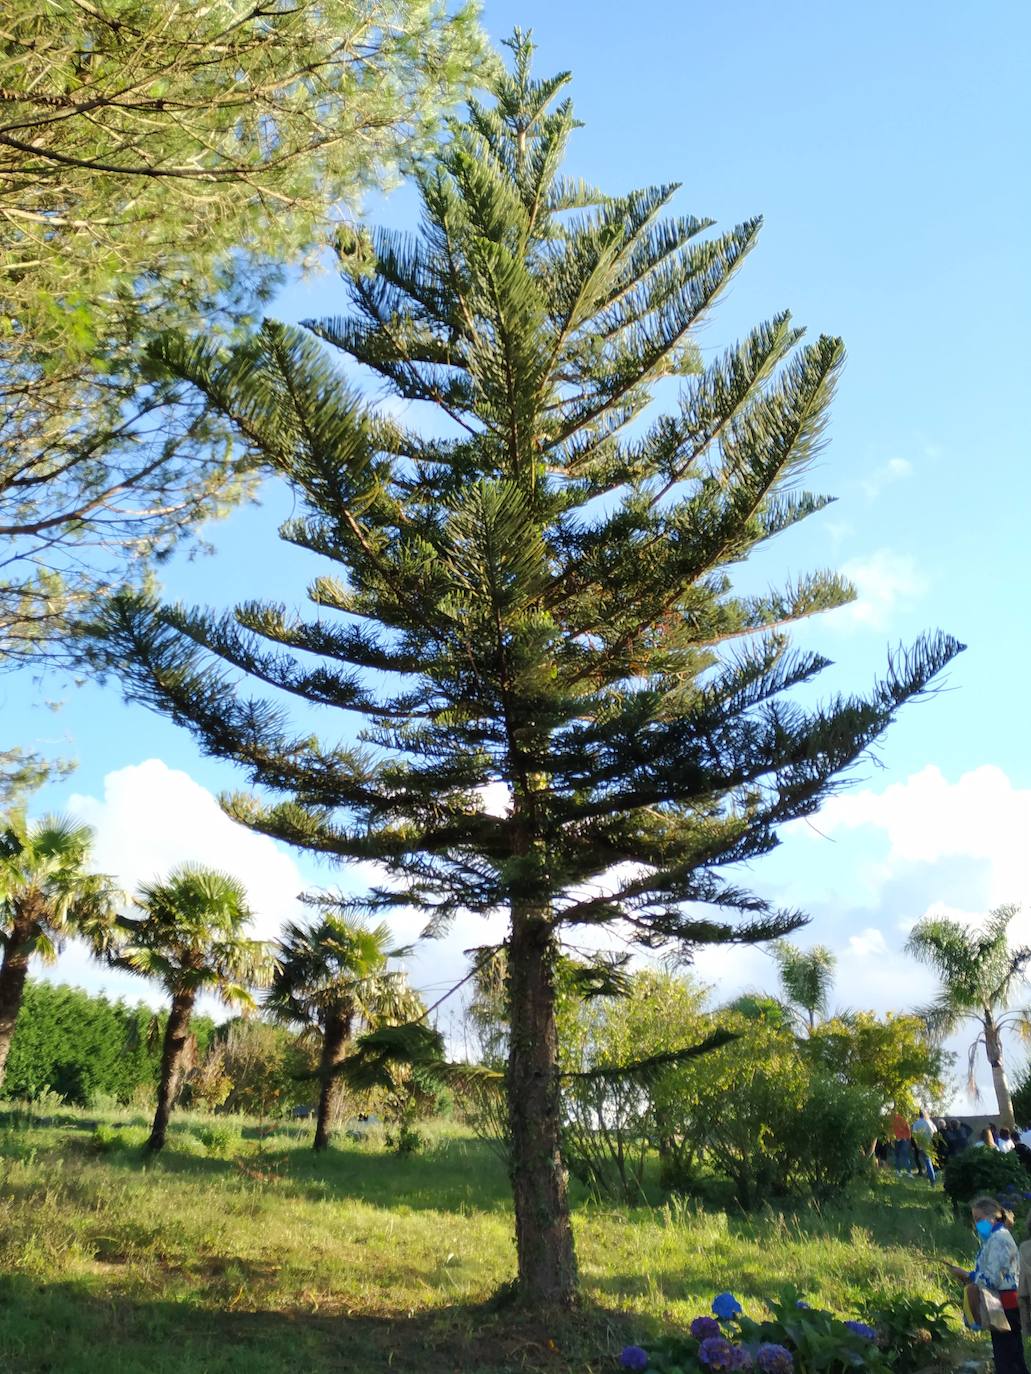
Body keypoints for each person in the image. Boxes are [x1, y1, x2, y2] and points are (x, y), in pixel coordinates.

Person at [946, 1196, 1028, 1374]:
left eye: (979, 1219)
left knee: (1009, 1359)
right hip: (1000, 1303)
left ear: (994, 1217)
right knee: (1007, 1356)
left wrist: (968, 1275)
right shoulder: (994, 1239)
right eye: (974, 1220)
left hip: (1006, 1304)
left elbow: (993, 1277)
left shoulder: (999, 1239)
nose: (977, 1224)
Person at [912, 1108, 937, 1183]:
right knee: (928, 1161)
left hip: (921, 1144)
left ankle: (932, 1179)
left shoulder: (916, 1123)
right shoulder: (929, 1122)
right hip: (929, 1143)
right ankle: (931, 1177)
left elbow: (914, 1134)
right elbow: (935, 1131)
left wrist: (917, 1144)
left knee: (927, 1161)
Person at [890, 1108, 914, 1173]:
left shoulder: (894, 1120)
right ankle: (908, 1172)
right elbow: (908, 1129)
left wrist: (892, 1140)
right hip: (903, 1139)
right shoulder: (901, 1119)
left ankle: (899, 1171)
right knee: (904, 1155)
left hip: (899, 1139)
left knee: (898, 1155)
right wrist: (908, 1138)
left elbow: (891, 1132)